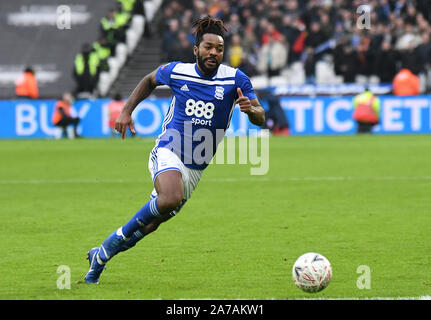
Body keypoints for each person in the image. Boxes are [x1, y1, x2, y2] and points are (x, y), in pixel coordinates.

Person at [84, 16, 265, 284]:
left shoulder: (235, 79)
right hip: (169, 149)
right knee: (169, 197)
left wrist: (252, 111)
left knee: (150, 224)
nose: (213, 52)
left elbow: (261, 116)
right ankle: (109, 244)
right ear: (196, 50)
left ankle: (99, 256)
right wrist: (126, 111)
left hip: (196, 167)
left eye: (219, 49)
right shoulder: (178, 71)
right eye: (208, 47)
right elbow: (148, 80)